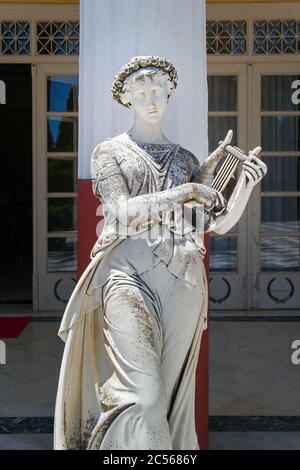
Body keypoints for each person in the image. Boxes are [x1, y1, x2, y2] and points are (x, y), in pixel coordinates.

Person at [54, 56, 267, 450]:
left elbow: (210, 224)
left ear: (169, 94)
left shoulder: (185, 159)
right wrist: (186, 190)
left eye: (157, 91)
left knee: (170, 401)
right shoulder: (109, 152)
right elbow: (119, 213)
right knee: (145, 398)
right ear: (126, 99)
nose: (150, 99)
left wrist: (243, 188)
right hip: (127, 276)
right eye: (140, 92)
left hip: (183, 281)